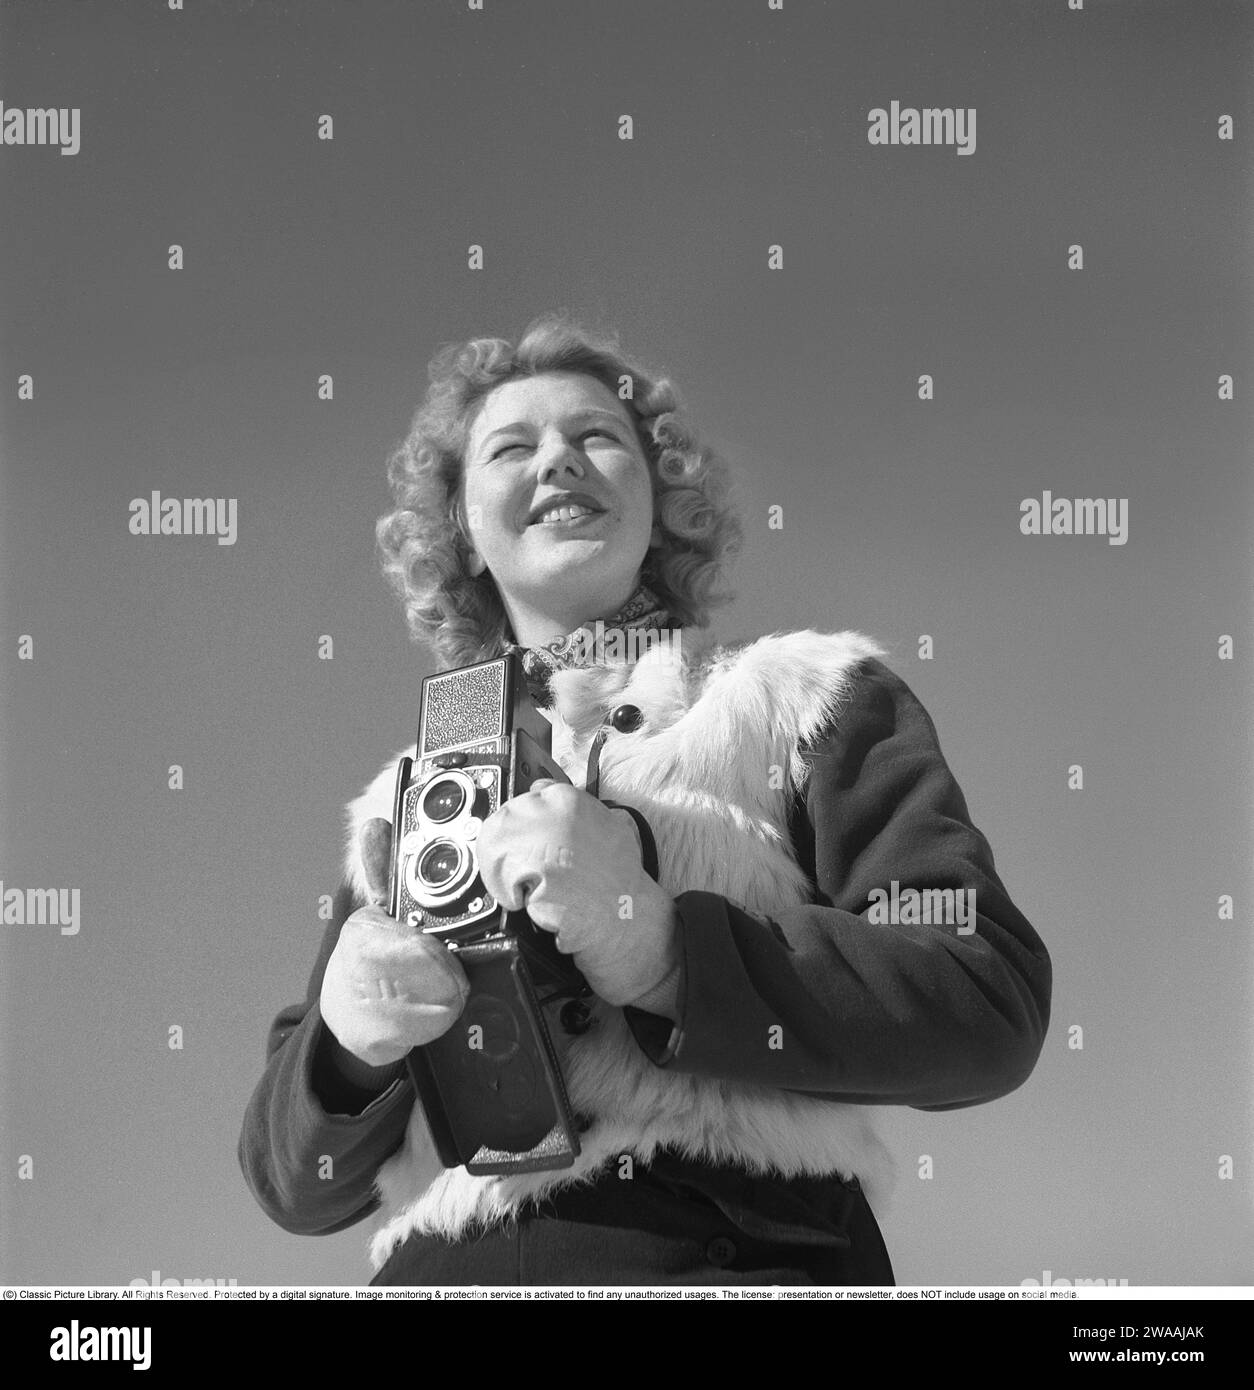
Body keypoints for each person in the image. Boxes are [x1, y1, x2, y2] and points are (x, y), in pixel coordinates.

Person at [238, 313, 1053, 1286]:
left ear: (661, 502)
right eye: (510, 447)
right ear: (460, 521)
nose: (557, 463)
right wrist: (344, 1043)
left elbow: (984, 1002)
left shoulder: (808, 699)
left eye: (597, 438)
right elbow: (295, 1184)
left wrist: (667, 951)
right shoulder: (404, 804)